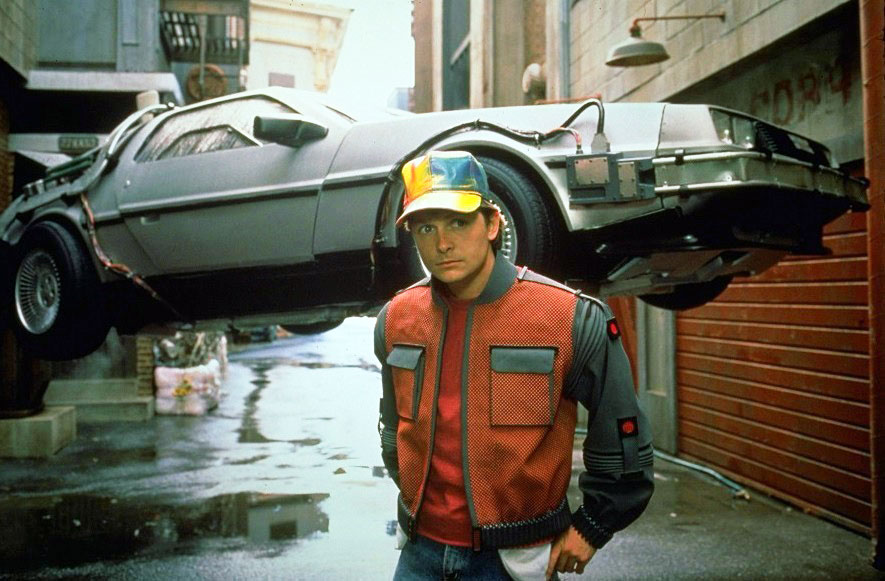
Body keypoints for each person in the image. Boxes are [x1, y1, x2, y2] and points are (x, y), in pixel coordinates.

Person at [374, 151, 653, 580]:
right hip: (419, 554)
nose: (442, 243)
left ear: (492, 224)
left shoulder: (568, 317)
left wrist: (593, 526)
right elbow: (394, 429)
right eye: (426, 227)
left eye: (458, 222)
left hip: (514, 561)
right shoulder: (396, 319)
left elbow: (620, 432)